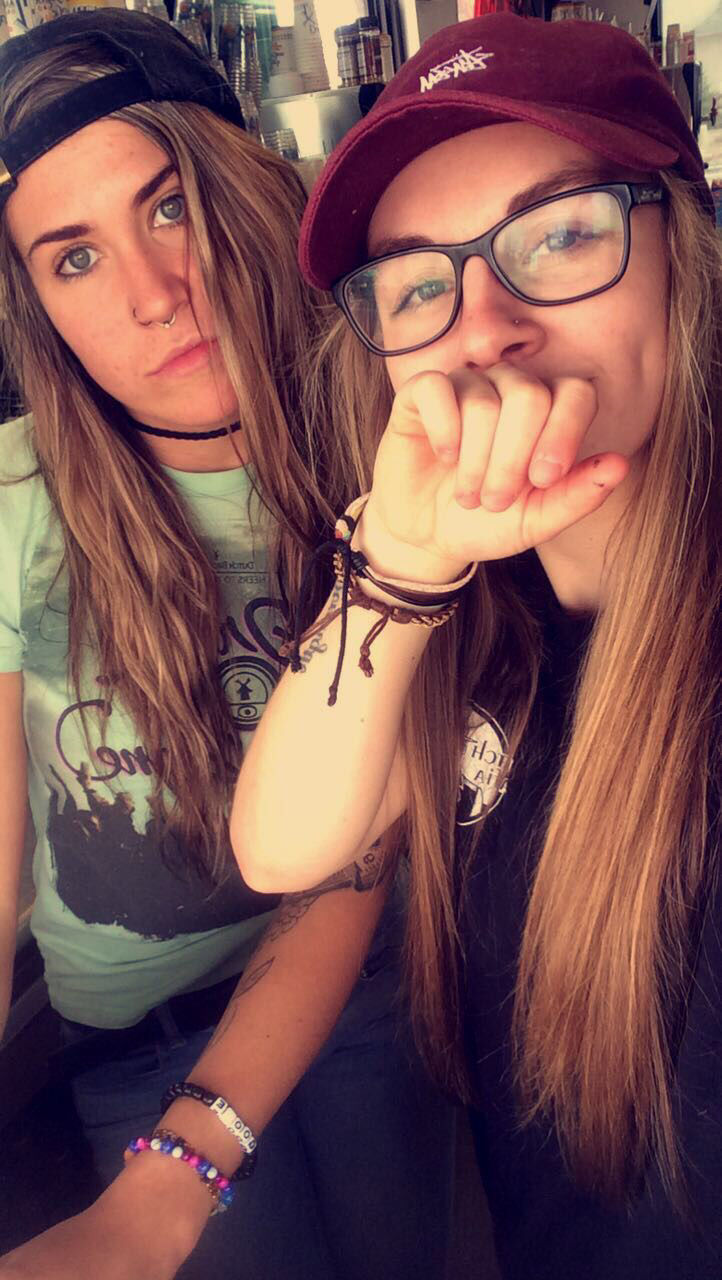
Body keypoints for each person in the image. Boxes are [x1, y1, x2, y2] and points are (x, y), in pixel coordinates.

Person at [232, 14, 722, 1280]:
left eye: (560, 232)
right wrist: (403, 557)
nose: (481, 325)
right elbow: (283, 846)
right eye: (415, 284)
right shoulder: (472, 624)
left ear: (685, 256)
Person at [0, 11, 454, 1280]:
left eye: (167, 207)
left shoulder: (395, 442)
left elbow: (361, 846)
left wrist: (176, 1178)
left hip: (367, 989)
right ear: (36, 306)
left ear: (243, 191)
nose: (152, 295)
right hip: (130, 1044)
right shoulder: (14, 498)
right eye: (73, 257)